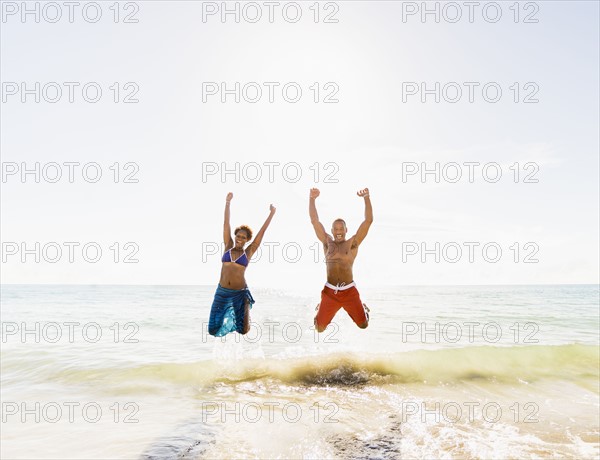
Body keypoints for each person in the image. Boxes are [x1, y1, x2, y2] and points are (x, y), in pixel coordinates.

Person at [208, 192, 276, 336]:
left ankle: (246, 309)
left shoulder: (248, 252)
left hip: (240, 293)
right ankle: (234, 317)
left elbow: (262, 232)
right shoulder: (228, 246)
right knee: (212, 329)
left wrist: (271, 214)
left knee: (243, 331)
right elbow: (226, 224)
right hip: (222, 292)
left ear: (247, 240)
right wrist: (227, 203)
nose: (239, 239)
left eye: (243, 237)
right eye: (238, 236)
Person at [309, 187, 373, 332]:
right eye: (336, 229)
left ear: (346, 230)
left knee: (363, 325)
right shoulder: (327, 243)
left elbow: (368, 221)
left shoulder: (352, 244)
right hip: (330, 292)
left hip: (349, 291)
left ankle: (363, 309)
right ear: (331, 231)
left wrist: (366, 197)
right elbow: (314, 221)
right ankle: (320, 310)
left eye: (341, 229)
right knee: (319, 329)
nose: (338, 232)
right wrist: (312, 199)